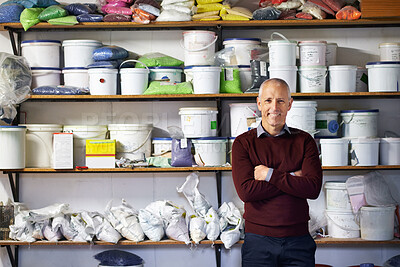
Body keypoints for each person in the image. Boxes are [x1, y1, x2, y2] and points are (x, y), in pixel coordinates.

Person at [231, 78, 323, 267]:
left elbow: (312, 189)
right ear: (258, 103)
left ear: (289, 104)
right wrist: (293, 179)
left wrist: (270, 175)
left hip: (298, 240)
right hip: (258, 242)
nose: (274, 107)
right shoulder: (243, 143)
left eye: (281, 101)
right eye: (268, 100)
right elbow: (246, 192)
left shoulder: (305, 141)